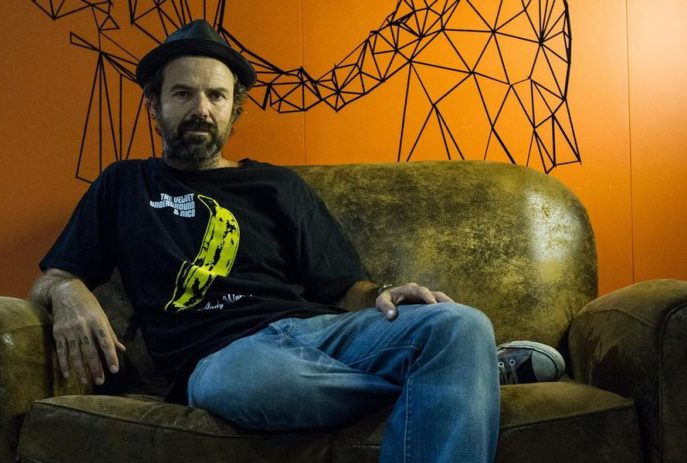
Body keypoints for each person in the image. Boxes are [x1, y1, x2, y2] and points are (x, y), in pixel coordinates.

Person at [28, 20, 561, 463]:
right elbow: (53, 277)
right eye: (183, 93)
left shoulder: (277, 185)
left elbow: (346, 288)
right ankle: (465, 380)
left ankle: (459, 367)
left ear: (234, 109)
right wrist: (68, 290)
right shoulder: (124, 184)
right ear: (155, 104)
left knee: (462, 325)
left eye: (216, 95)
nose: (201, 109)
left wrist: (384, 292)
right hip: (223, 358)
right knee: (249, 383)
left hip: (319, 333)